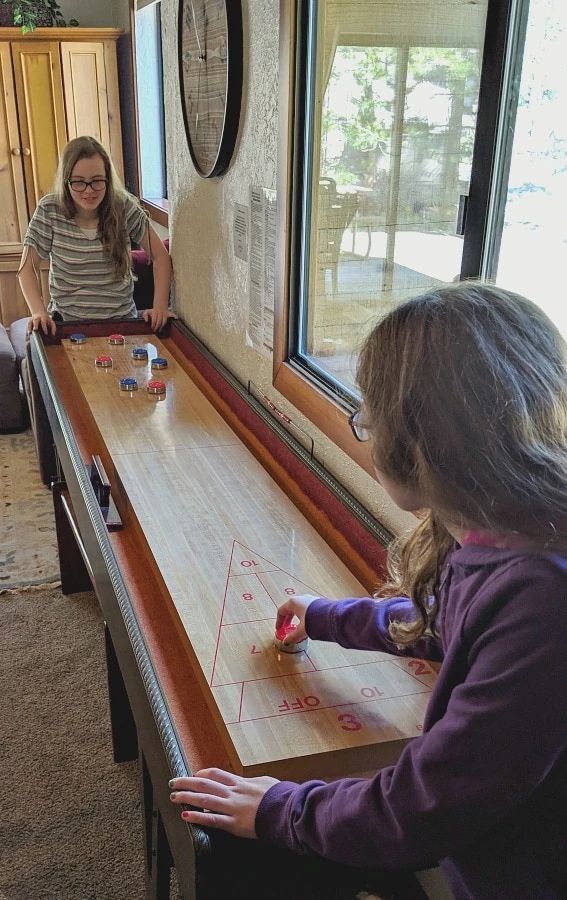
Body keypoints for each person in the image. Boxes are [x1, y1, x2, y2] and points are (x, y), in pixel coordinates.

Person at [169, 283, 567, 900]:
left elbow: (422, 807)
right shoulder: (500, 526)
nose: (364, 431)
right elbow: (444, 622)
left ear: (425, 441)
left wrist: (282, 807)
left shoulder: (542, 598)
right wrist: (325, 618)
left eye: (367, 419)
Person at [17, 135, 173, 335]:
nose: (88, 191)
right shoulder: (49, 210)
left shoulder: (123, 206)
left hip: (121, 323)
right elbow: (27, 269)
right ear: (66, 181)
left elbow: (161, 256)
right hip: (66, 324)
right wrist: (38, 312)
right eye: (79, 182)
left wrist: (159, 306)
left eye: (97, 181)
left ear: (107, 179)